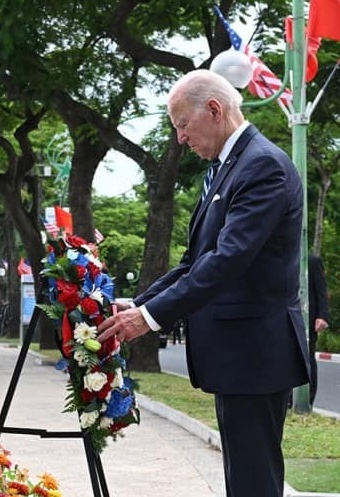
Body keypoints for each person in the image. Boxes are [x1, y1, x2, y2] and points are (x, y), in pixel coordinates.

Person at [96, 69, 309, 497]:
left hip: (255, 353)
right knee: (243, 478)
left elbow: (227, 261)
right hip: (238, 355)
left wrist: (150, 319)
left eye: (182, 125)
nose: (180, 139)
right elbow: (196, 261)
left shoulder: (261, 166)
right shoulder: (228, 167)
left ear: (214, 109)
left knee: (253, 480)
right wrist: (138, 304)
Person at [308, 252, 331, 405]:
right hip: (284, 317)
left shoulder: (313, 261)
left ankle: (308, 400)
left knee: (308, 357)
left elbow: (321, 291)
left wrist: (322, 316)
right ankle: (288, 399)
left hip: (308, 318)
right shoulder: (283, 258)